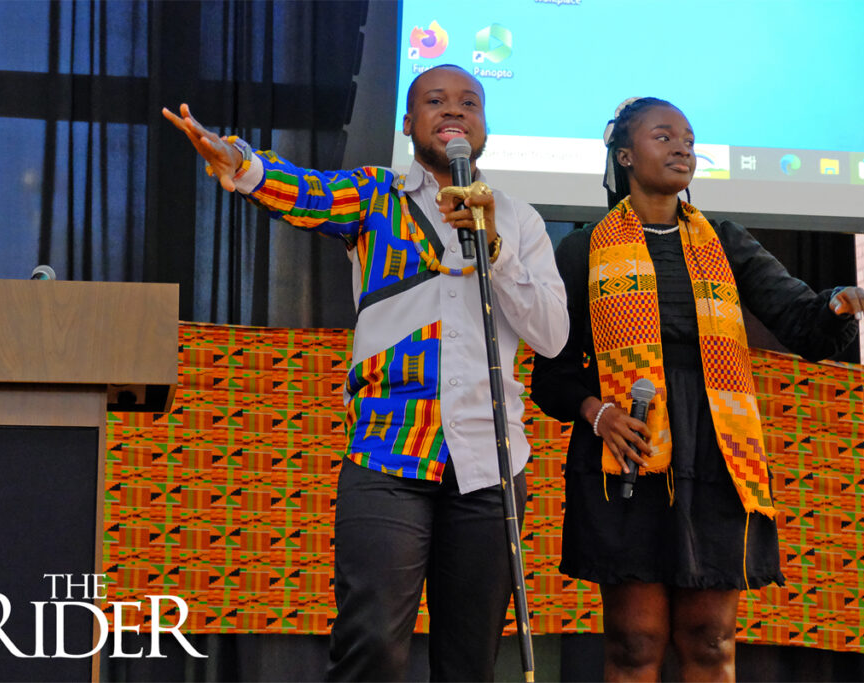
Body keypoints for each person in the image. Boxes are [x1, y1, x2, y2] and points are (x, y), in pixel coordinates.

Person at [163, 64, 569, 681]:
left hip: (490, 462)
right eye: (435, 100)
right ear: (408, 123)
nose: (453, 111)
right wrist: (241, 166)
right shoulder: (378, 195)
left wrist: (495, 249)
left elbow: (552, 335)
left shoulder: (519, 221)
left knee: (471, 660)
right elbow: (305, 192)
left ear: (485, 126)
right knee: (371, 644)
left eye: (469, 102)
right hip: (388, 452)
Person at [531, 97, 864, 682]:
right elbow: (553, 374)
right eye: (663, 137)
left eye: (688, 139)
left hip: (718, 455)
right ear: (624, 156)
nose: (682, 148)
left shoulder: (724, 240)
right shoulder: (582, 248)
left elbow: (802, 322)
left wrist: (835, 304)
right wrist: (598, 413)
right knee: (634, 642)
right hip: (627, 454)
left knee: (710, 641)